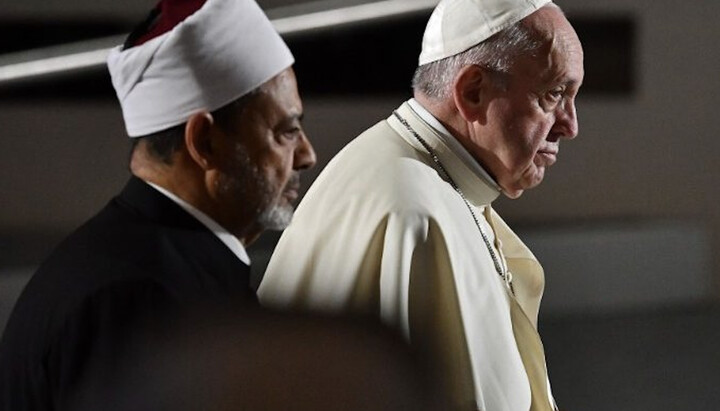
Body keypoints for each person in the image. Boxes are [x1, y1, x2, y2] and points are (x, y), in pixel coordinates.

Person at [258, 0, 583, 409]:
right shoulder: (412, 214)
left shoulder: (429, 180)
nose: (570, 126)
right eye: (554, 94)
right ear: (473, 92)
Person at [0, 0, 315, 409]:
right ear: (204, 142)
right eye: (285, 132)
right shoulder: (139, 301)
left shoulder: (150, 267)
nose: (307, 154)